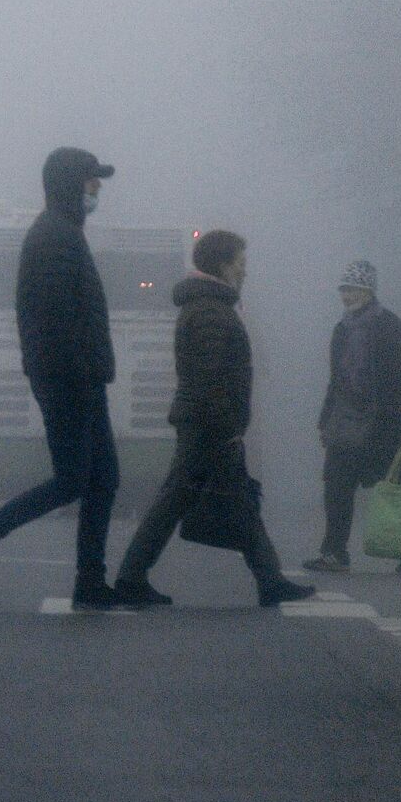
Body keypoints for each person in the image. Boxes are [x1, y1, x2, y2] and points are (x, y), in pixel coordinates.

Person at [0, 146, 125, 608]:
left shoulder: (63, 233)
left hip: (79, 377)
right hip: (70, 380)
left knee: (104, 479)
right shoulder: (54, 238)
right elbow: (53, 321)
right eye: (92, 181)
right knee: (73, 479)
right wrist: (82, 375)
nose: (98, 188)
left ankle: (90, 581)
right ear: (71, 184)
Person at [109, 231, 317, 608]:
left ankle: (134, 576)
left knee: (207, 500)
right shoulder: (211, 311)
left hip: (204, 421)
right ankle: (267, 581)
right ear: (223, 265)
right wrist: (227, 428)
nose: (245, 270)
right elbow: (210, 376)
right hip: (209, 424)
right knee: (190, 500)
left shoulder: (209, 306)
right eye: (241, 262)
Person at [304, 260, 401, 574]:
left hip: (387, 422)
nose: (349, 296)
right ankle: (334, 552)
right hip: (347, 422)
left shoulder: (389, 326)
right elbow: (335, 380)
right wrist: (326, 419)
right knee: (336, 485)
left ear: (369, 291)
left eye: (356, 289)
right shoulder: (342, 329)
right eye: (346, 289)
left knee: (399, 487)